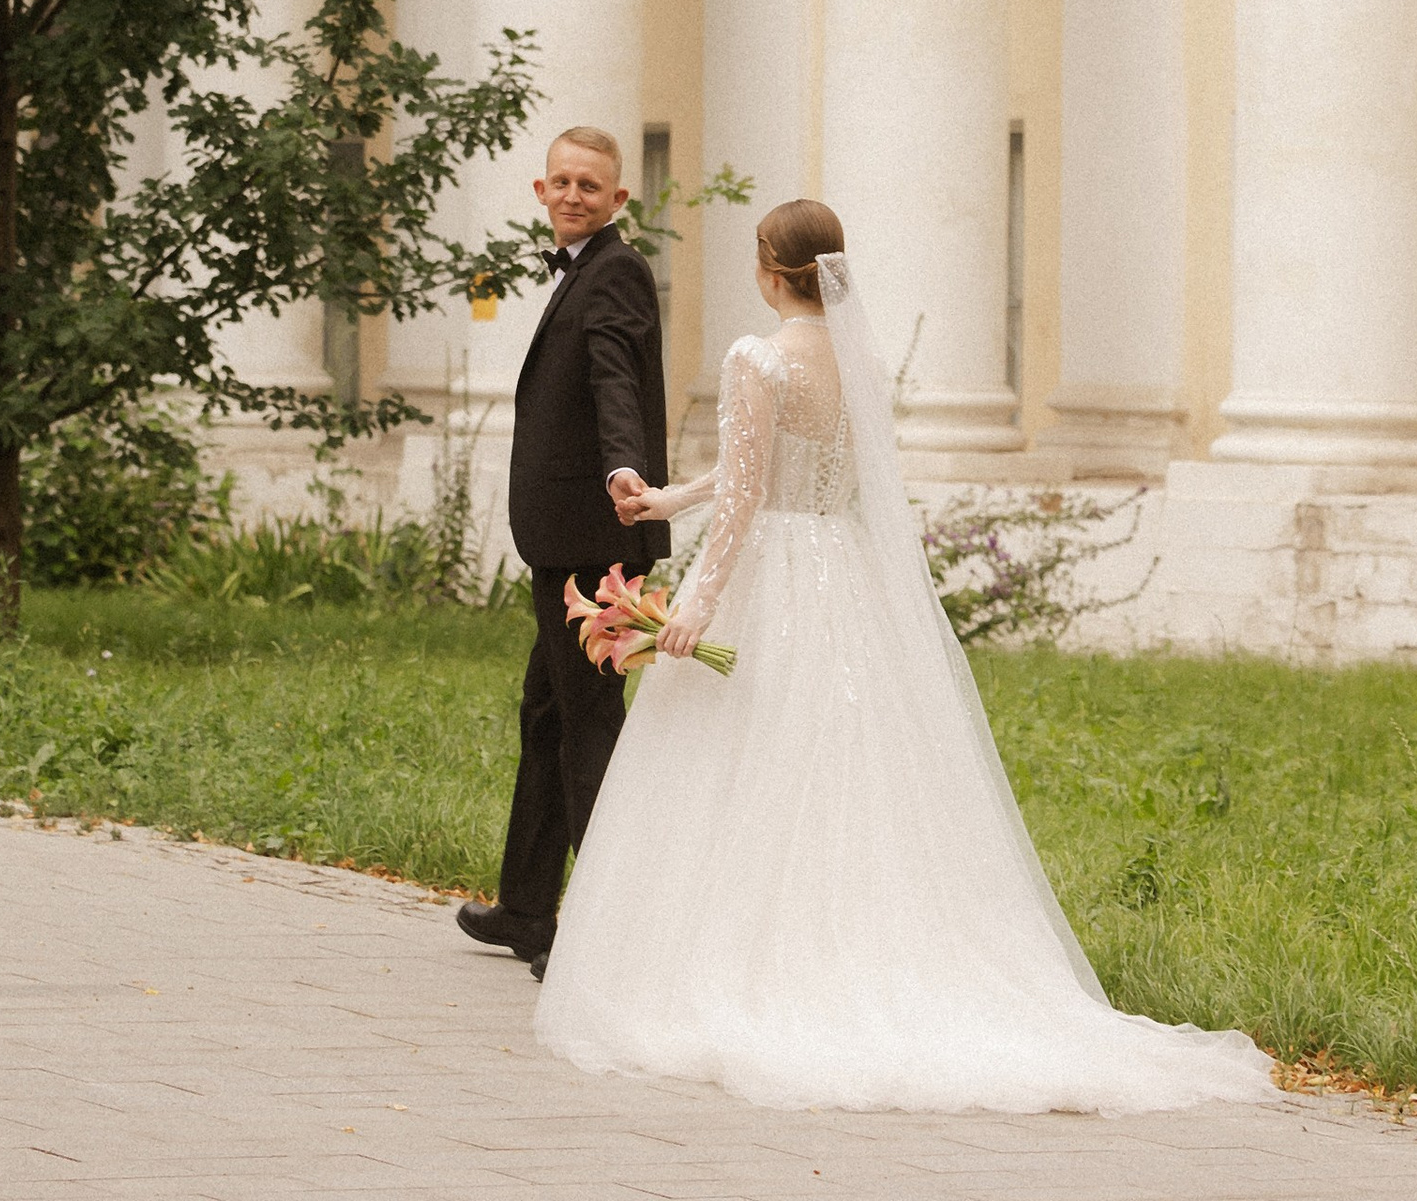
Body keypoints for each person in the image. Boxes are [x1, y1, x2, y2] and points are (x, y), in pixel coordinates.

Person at [533, 198, 1276, 1117]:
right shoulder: (859, 356)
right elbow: (762, 475)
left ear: (769, 266)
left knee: (749, 763)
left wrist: (694, 604)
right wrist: (667, 501)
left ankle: (747, 965)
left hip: (772, 573)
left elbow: (751, 498)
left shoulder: (754, 355)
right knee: (851, 769)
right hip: (842, 579)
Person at [454, 125, 668, 981]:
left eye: (593, 185)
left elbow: (614, 376)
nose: (576, 194)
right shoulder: (580, 266)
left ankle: (606, 930)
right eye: (563, 181)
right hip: (566, 539)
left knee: (588, 726)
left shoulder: (614, 269)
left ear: (619, 200)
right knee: (545, 716)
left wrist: (624, 466)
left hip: (594, 539)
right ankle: (528, 907)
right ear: (541, 191)